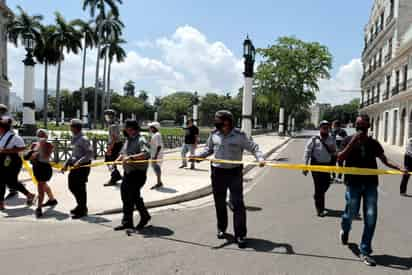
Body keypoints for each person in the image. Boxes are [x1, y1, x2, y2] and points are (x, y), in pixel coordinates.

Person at [191, 110, 265, 249]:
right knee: (219, 203)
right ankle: (221, 228)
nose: (217, 122)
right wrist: (198, 156)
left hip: (234, 172)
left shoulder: (239, 135)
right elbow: (208, 149)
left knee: (238, 204)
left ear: (228, 121)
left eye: (219, 120)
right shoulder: (214, 134)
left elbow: (254, 148)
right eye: (216, 120)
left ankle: (240, 235)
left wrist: (260, 158)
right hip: (217, 172)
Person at [338, 114, 405, 266]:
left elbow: (384, 159)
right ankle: (345, 229)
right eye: (357, 125)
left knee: (370, 217)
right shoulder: (347, 140)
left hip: (370, 185)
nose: (359, 128)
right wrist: (352, 142)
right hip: (353, 184)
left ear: (368, 127)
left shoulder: (373, 143)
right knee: (351, 214)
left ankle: (365, 251)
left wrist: (399, 167)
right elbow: (340, 158)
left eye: (362, 126)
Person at [114, 120, 151, 231]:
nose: (124, 130)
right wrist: (117, 160)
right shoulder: (128, 140)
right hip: (128, 173)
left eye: (126, 128)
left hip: (138, 174)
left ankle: (144, 216)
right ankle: (128, 222)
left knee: (133, 196)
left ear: (132, 129)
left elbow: (146, 153)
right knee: (126, 196)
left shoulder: (141, 140)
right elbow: (123, 153)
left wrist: (131, 158)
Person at [0, 116, 36, 210]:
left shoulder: (14, 137)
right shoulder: (1, 136)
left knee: (11, 181)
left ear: (2, 128)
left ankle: (29, 195)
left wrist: (7, 151)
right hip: (2, 160)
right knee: (2, 182)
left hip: (13, 161)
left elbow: (23, 148)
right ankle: (1, 203)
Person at [303, 120, 336, 217]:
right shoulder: (314, 139)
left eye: (327, 127)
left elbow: (334, 152)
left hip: (327, 166)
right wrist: (305, 166)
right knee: (318, 187)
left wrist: (335, 166)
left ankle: (317, 196)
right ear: (320, 128)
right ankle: (320, 210)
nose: (325, 128)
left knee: (326, 184)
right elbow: (307, 152)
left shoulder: (331, 139)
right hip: (316, 165)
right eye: (323, 127)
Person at [62, 119, 93, 219]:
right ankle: (80, 205)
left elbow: (89, 153)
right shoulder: (75, 138)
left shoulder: (84, 139)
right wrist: (66, 164)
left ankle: (82, 209)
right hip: (74, 166)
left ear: (75, 128)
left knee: (80, 188)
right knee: (72, 186)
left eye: (71, 126)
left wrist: (79, 162)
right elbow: (74, 154)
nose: (70, 128)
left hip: (82, 167)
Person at [24, 129, 57, 218]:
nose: (40, 137)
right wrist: (32, 155)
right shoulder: (34, 144)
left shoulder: (49, 145)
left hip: (44, 168)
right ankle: (52, 199)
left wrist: (39, 149)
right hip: (36, 168)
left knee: (40, 188)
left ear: (46, 136)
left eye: (42, 135)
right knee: (43, 185)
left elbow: (46, 156)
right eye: (39, 135)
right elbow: (27, 157)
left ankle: (39, 208)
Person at [0, 104, 18, 200]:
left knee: (7, 169)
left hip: (7, 148)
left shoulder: (7, 119)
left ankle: (13, 189)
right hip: (4, 146)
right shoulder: (7, 118)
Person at [103, 109, 123, 187]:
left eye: (106, 115)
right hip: (116, 145)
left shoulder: (113, 126)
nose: (106, 117)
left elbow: (114, 138)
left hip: (114, 145)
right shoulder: (116, 124)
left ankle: (114, 178)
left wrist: (109, 149)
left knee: (109, 161)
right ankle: (116, 175)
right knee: (111, 161)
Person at [148, 122, 164, 189]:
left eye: (151, 127)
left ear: (154, 128)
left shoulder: (157, 135)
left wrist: (155, 156)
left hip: (156, 155)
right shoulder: (155, 135)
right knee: (154, 167)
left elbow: (159, 146)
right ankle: (159, 182)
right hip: (154, 154)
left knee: (157, 167)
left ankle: (159, 182)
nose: (150, 128)